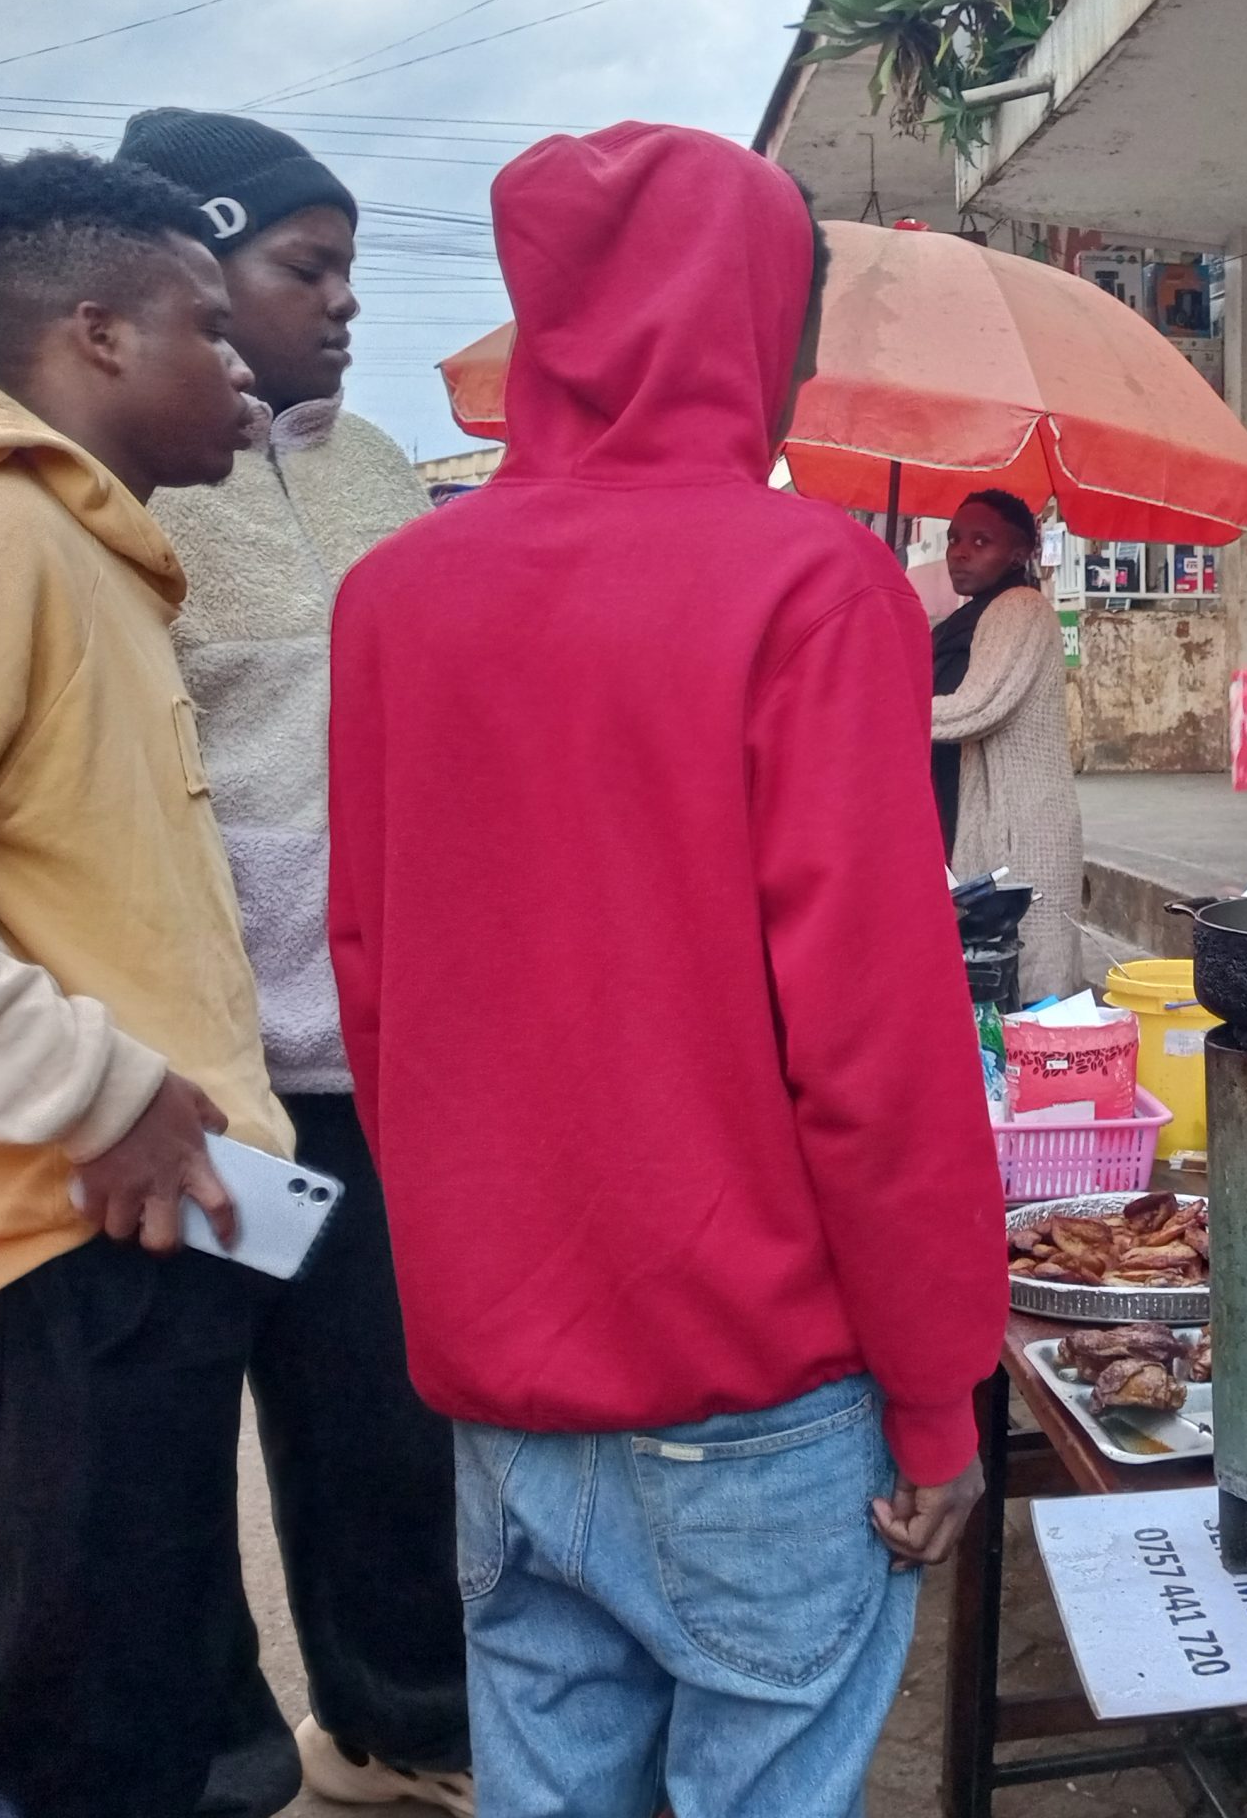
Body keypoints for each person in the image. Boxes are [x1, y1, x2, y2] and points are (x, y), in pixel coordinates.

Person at [326, 123, 1009, 1815]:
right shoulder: (811, 584)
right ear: (752, 326)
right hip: (760, 1397)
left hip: (508, 1385)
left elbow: (377, 994)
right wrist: (936, 1401)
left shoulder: (394, 599)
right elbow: (874, 1049)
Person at [115, 106, 471, 1816]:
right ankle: (229, 1765)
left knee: (378, 1420)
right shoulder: (112, 492)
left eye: (351, 267)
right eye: (302, 265)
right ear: (192, 262)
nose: (340, 301)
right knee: (175, 1441)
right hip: (187, 1078)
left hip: (374, 1060)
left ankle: (392, 1724)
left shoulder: (381, 463)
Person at [0, 150, 298, 1818]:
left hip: (155, 1230)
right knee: (89, 1734)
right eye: (207, 322)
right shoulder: (7, 534)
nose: (245, 359)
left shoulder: (89, 551)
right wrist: (101, 1091)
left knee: (149, 1695)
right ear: (93, 333)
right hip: (71, 1252)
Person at [931, 487, 1083, 1000]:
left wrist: (879, 714)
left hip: (1021, 828)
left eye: (980, 540)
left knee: (1029, 986)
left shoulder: (1017, 607)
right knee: (1003, 980)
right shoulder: (969, 619)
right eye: (954, 539)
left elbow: (977, 706)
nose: (960, 551)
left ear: (1018, 554)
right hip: (992, 819)